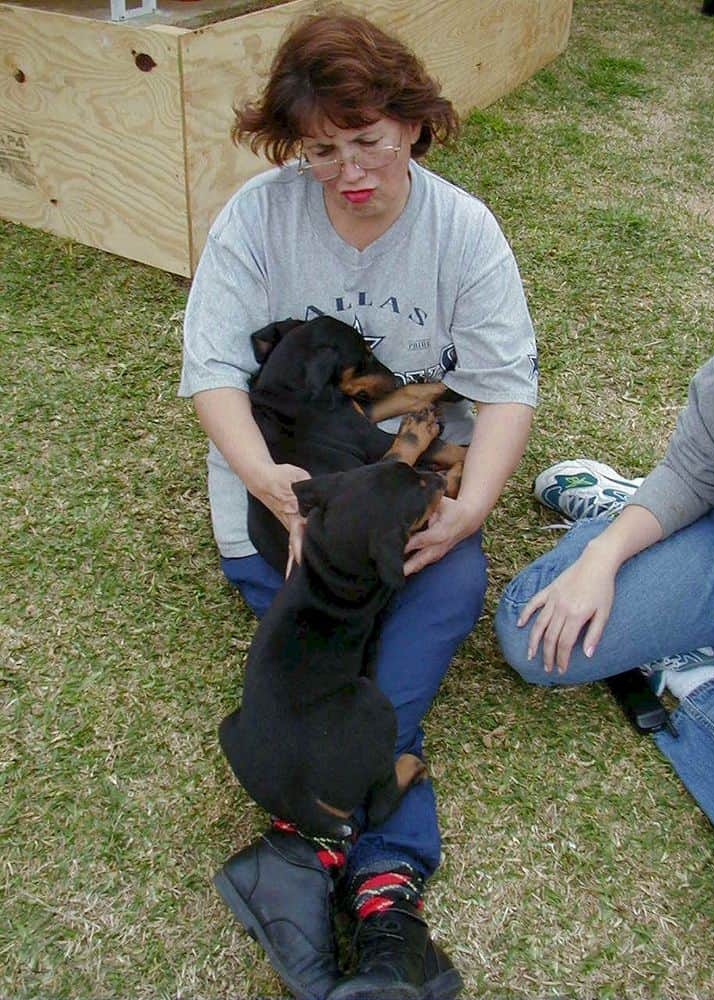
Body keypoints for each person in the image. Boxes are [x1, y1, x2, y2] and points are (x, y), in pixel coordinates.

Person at [179, 11, 537, 998]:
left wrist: (471, 508)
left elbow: (506, 389)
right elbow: (211, 370)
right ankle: (386, 906)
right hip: (281, 493)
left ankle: (303, 846)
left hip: (398, 481)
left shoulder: (463, 231)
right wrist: (270, 487)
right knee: (363, 663)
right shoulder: (258, 215)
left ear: (415, 124)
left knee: (442, 579)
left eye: (370, 142)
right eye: (323, 150)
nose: (350, 172)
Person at [495, 178, 714, 871]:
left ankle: (704, 686)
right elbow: (699, 468)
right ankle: (628, 511)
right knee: (534, 632)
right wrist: (603, 559)